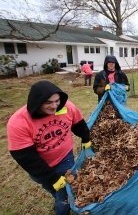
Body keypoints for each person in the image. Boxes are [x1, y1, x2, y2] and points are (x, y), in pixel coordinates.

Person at [6, 80, 92, 215]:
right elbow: (26, 158)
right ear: (37, 102)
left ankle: (63, 204)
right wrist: (52, 178)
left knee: (65, 194)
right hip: (40, 167)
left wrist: (86, 138)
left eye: (57, 100)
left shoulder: (67, 107)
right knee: (58, 193)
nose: (54, 106)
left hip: (65, 158)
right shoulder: (18, 122)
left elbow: (78, 123)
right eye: (48, 102)